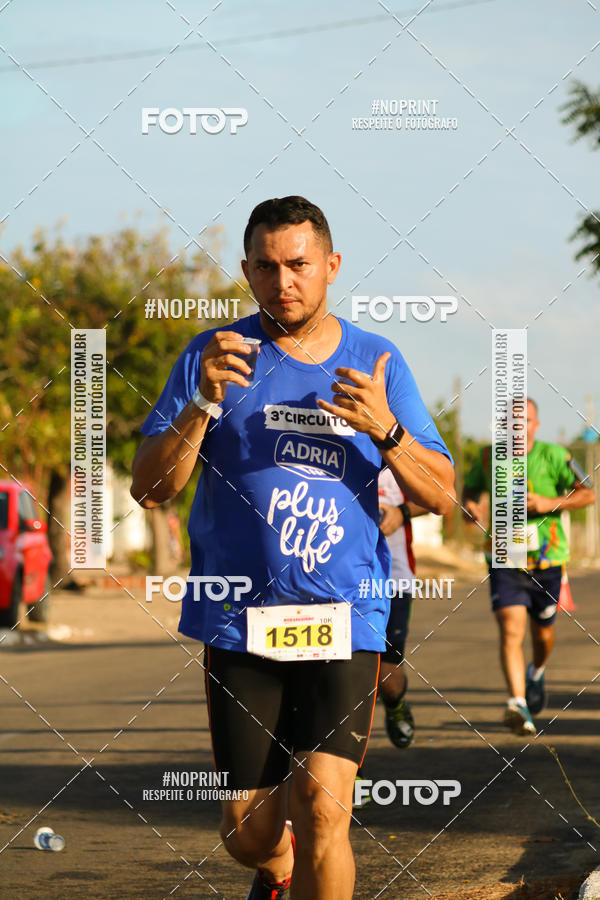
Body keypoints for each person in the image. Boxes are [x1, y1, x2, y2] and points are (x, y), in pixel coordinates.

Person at [131, 196, 455, 900]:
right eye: (268, 267)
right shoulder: (212, 357)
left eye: (300, 265)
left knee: (322, 811)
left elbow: (441, 496)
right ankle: (275, 872)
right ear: (247, 271)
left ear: (331, 266)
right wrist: (200, 405)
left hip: (345, 620)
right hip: (240, 622)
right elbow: (149, 489)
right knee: (246, 830)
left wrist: (387, 430)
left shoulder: (377, 361)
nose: (285, 282)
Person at [463, 398, 595, 736]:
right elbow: (471, 489)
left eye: (526, 421)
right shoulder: (488, 457)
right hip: (505, 556)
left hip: (547, 560)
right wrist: (472, 507)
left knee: (544, 633)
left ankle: (536, 670)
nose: (518, 427)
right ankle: (517, 703)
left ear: (536, 424)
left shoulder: (556, 456)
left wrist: (552, 502)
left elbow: (588, 493)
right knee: (510, 628)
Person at [377, 466, 429, 749]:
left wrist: (401, 512)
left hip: (394, 580)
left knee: (388, 676)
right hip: (339, 581)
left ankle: (395, 705)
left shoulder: (397, 458)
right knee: (342, 679)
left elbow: (438, 496)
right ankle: (351, 774)